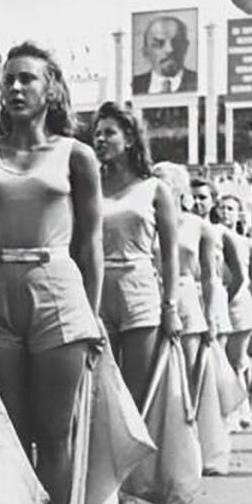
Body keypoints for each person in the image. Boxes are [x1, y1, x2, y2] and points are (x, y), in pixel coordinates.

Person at [0, 41, 102, 504]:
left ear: (50, 87)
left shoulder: (75, 155)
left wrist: (91, 316)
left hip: (56, 287)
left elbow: (90, 243)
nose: (16, 88)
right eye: (9, 80)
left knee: (53, 430)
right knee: (9, 426)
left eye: (27, 79)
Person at [94, 102, 181, 410]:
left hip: (140, 292)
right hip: (99, 290)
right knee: (100, 391)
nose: (100, 140)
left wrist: (171, 307)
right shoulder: (90, 186)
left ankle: (141, 459)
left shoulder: (155, 189)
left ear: (129, 139)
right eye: (97, 133)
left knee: (137, 396)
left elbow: (170, 256)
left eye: (109, 133)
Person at [152, 162, 217, 382]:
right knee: (154, 373)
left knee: (189, 371)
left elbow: (210, 276)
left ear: (179, 189)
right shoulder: (147, 223)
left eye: (163, 183)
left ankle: (190, 416)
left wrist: (211, 316)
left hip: (188, 298)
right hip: (152, 294)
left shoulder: (199, 226)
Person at [191, 176, 243, 346]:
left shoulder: (221, 232)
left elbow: (239, 276)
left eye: (203, 197)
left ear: (213, 201)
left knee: (215, 358)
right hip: (190, 298)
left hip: (214, 298)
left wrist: (222, 297)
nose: (197, 202)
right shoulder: (182, 228)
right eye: (193, 197)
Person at [216, 193, 252, 392]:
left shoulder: (247, 243)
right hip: (218, 299)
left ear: (239, 214)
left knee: (238, 360)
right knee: (220, 359)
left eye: (230, 209)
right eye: (222, 207)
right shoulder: (212, 234)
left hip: (239, 304)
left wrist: (242, 298)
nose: (225, 212)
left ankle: (241, 409)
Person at [132, 15, 198, 95]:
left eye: (177, 42)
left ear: (186, 46)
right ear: (145, 52)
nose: (169, 49)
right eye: (159, 44)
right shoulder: (133, 86)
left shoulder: (200, 82)